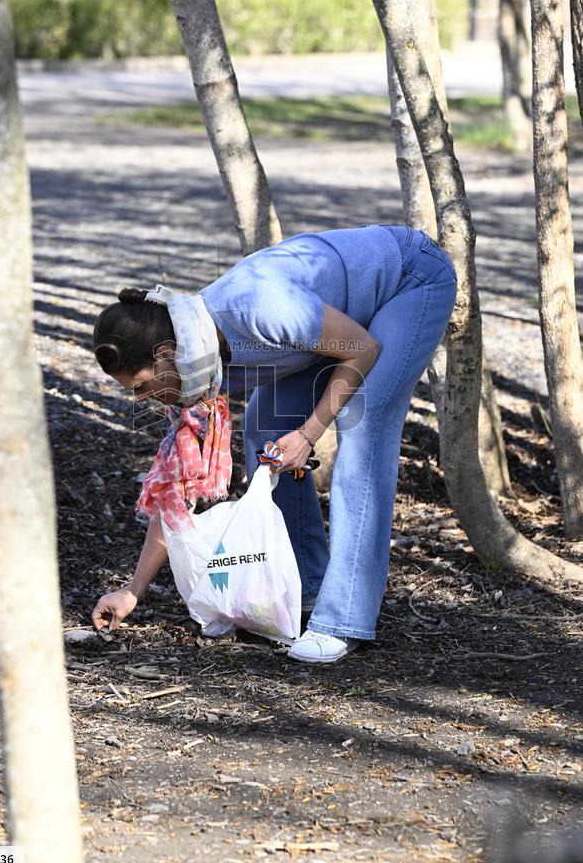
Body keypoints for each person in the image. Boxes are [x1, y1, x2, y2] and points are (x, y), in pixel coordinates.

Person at [90, 223, 457, 664]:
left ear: (165, 353)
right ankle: (308, 586)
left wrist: (308, 434)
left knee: (363, 426)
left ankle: (343, 620)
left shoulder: (260, 309)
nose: (142, 398)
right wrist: (133, 590)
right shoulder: (195, 361)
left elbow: (361, 349)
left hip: (407, 279)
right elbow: (177, 485)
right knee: (265, 428)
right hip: (332, 326)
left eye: (142, 385)